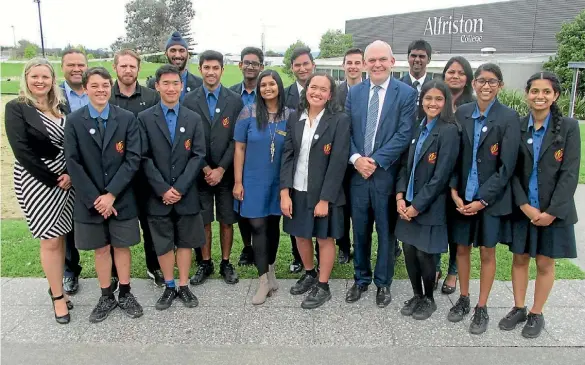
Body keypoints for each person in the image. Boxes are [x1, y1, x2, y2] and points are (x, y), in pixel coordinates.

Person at [499, 72, 580, 339]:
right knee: (519, 259)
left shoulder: (568, 127)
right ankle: (519, 307)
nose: (540, 96)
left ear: (555, 95)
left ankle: (536, 312)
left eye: (546, 91)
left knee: (545, 262)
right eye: (535, 91)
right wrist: (525, 206)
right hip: (524, 209)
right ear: (527, 94)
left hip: (553, 212)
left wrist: (551, 212)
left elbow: (570, 174)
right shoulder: (518, 126)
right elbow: (510, 171)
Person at [64, 67, 143, 323]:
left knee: (121, 246)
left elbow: (132, 159)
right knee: (101, 248)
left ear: (112, 88)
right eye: (95, 86)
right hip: (90, 201)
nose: (101, 90)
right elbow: (73, 163)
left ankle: (126, 292)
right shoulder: (75, 121)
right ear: (85, 88)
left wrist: (111, 195)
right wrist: (96, 199)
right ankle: (106, 295)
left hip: (121, 198)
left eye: (105, 85)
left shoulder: (127, 118)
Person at [447, 63, 520, 334]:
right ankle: (464, 298)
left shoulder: (508, 117)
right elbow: (454, 156)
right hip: (462, 198)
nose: (486, 86)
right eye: (481, 81)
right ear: (474, 84)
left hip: (490, 201)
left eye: (492, 81)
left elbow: (507, 167)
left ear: (500, 85)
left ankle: (481, 306)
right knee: (462, 248)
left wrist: (482, 200)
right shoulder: (463, 112)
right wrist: (454, 191)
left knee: (487, 252)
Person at [344, 40, 416, 308]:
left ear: (392, 62)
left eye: (381, 59)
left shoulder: (406, 94)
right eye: (371, 60)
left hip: (385, 176)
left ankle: (382, 283)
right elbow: (346, 132)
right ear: (364, 64)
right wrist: (356, 160)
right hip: (357, 176)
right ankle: (361, 279)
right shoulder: (355, 93)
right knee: (359, 231)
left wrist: (373, 160)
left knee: (387, 233)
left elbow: (404, 134)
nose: (376, 64)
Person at [5, 58, 75, 324]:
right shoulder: (17, 108)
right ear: (26, 78)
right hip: (37, 181)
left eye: (45, 77)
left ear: (52, 79)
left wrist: (69, 173)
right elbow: (21, 151)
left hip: (66, 180)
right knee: (51, 239)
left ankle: (56, 285)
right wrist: (55, 177)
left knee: (62, 236)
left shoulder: (61, 106)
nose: (40, 82)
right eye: (35, 77)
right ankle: (58, 298)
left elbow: (71, 142)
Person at [139, 64, 206, 310]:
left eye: (175, 83)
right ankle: (169, 285)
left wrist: (179, 188)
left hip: (185, 194)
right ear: (157, 86)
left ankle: (184, 285)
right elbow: (143, 157)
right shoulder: (145, 119)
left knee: (186, 241)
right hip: (158, 196)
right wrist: (163, 189)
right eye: (165, 83)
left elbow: (198, 155)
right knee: (164, 242)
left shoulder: (193, 118)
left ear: (182, 86)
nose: (171, 88)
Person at [281, 73, 350, 309]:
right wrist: (284, 192)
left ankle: (323, 284)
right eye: (313, 87)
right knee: (300, 235)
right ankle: (310, 272)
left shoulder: (339, 120)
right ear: (306, 89)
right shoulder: (295, 119)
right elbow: (287, 156)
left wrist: (325, 199)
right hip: (298, 189)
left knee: (324, 237)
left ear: (330, 95)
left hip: (323, 194)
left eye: (323, 89)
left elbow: (338, 162)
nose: (317, 92)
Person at [395, 80, 460, 320]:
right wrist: (400, 196)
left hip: (429, 206)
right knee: (409, 251)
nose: (432, 103)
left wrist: (417, 207)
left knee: (425, 255)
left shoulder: (449, 130)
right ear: (421, 101)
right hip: (407, 202)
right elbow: (404, 165)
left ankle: (429, 299)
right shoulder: (417, 127)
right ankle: (417, 295)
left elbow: (441, 176)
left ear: (446, 103)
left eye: (438, 99)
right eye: (428, 98)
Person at [183, 50, 244, 286]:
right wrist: (206, 168)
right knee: (204, 219)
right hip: (200, 173)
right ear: (200, 69)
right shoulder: (188, 100)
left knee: (227, 220)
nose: (211, 72)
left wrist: (221, 169)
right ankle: (205, 262)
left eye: (215, 68)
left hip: (226, 174)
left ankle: (226, 262)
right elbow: (188, 139)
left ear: (222, 70)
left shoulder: (234, 100)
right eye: (206, 68)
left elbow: (236, 140)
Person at [233, 70, 290, 305]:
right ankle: (263, 280)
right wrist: (238, 181)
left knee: (273, 224)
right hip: (253, 179)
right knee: (257, 225)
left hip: (278, 180)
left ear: (279, 86)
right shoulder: (248, 113)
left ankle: (272, 270)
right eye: (263, 84)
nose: (267, 88)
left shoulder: (291, 115)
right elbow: (239, 149)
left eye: (272, 83)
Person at [110, 49, 163, 287]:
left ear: (138, 69)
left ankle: (155, 267)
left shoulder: (152, 97)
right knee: (115, 225)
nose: (128, 70)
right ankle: (114, 272)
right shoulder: (106, 96)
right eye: (123, 66)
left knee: (151, 223)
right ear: (115, 68)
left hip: (145, 173)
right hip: (116, 175)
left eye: (132, 66)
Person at [436, 56, 476, 295]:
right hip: (436, 173)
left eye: (461, 73)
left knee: (459, 227)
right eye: (451, 72)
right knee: (438, 223)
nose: (455, 76)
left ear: (468, 78)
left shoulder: (472, 105)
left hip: (461, 176)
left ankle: (453, 271)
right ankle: (438, 266)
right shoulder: (436, 100)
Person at [230, 46, 265, 266]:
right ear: (240, 65)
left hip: (263, 159)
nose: (250, 66)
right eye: (247, 62)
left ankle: (264, 247)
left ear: (261, 67)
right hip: (240, 157)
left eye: (255, 63)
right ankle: (247, 247)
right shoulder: (232, 95)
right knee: (242, 207)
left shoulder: (269, 91)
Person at [283, 46, 316, 273]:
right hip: (296, 163)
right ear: (292, 68)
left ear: (312, 65)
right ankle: (299, 259)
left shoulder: (326, 89)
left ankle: (324, 259)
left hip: (320, 166)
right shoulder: (286, 95)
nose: (302, 68)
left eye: (306, 63)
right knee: (297, 216)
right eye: (297, 65)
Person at [59, 48, 88, 294]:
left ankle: (110, 270)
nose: (77, 68)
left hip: (100, 172)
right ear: (62, 68)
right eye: (71, 65)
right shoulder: (53, 95)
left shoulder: (99, 91)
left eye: (81, 64)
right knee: (67, 225)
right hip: (66, 173)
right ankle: (70, 271)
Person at [334, 47, 365, 264]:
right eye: (349, 63)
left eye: (357, 62)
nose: (353, 67)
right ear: (343, 66)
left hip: (364, 159)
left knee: (361, 208)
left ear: (363, 65)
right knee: (342, 206)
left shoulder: (369, 91)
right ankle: (343, 247)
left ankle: (360, 245)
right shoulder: (335, 92)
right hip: (341, 159)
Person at [147, 31, 203, 102]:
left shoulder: (200, 84)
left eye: (181, 51)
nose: (177, 55)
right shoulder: (153, 84)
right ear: (166, 54)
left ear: (188, 54)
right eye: (173, 50)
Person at [400, 40, 433, 110]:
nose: (417, 59)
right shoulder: (397, 87)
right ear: (408, 58)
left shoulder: (435, 88)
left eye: (421, 56)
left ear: (429, 60)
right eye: (413, 56)